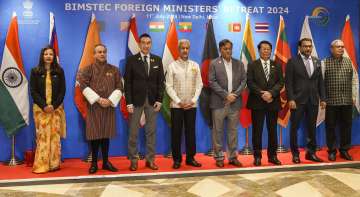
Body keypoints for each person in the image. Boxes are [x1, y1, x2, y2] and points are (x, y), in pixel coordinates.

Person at [77, 44, 123, 174]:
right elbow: (83, 86)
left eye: (104, 52)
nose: (102, 54)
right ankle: (94, 163)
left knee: (105, 135)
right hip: (94, 107)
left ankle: (106, 162)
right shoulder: (87, 70)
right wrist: (98, 99)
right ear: (94, 54)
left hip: (109, 106)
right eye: (99, 52)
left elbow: (120, 87)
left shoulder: (114, 70)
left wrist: (109, 100)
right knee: (95, 136)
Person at [124, 33, 165, 171]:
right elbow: (127, 83)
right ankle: (133, 160)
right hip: (136, 101)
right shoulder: (131, 60)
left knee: (151, 132)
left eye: (148, 43)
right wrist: (128, 102)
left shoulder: (157, 60)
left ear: (151, 44)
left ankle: (150, 160)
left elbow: (161, 83)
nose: (146, 45)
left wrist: (160, 100)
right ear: (139, 44)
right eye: (143, 42)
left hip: (153, 102)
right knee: (133, 132)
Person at [285, 38, 326, 164]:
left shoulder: (317, 61)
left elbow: (320, 82)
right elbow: (288, 83)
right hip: (297, 100)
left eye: (310, 46)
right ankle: (295, 154)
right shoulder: (292, 61)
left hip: (313, 100)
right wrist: (291, 98)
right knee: (294, 128)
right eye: (305, 46)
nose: (308, 48)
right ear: (300, 48)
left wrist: (323, 98)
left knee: (311, 128)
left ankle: (311, 153)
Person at [208, 39, 246, 168]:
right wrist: (226, 95)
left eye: (230, 48)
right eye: (225, 49)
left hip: (234, 103)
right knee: (217, 131)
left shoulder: (239, 64)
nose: (228, 51)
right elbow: (211, 82)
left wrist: (234, 95)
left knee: (233, 131)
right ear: (220, 50)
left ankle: (232, 157)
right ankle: (219, 157)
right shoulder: (214, 63)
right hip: (219, 103)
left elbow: (243, 81)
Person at [165, 39, 203, 169]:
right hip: (177, 106)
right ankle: (177, 159)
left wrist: (192, 101)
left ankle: (190, 158)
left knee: (190, 132)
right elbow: (168, 86)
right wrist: (179, 101)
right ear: (178, 49)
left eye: (187, 48)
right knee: (176, 133)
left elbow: (199, 85)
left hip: (191, 106)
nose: (185, 50)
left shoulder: (195, 65)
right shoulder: (172, 66)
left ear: (189, 49)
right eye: (182, 48)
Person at [247, 40, 284, 166]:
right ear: (259, 50)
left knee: (272, 130)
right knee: (257, 131)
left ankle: (272, 156)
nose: (266, 51)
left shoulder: (277, 65)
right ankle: (257, 157)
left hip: (272, 102)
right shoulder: (252, 64)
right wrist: (262, 94)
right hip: (257, 102)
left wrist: (271, 94)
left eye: (268, 49)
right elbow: (250, 82)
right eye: (264, 49)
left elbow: (280, 82)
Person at [30, 45, 66, 173]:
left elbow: (62, 91)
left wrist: (53, 106)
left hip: (56, 110)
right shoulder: (35, 71)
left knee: (55, 137)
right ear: (42, 56)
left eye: (51, 54)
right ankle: (41, 165)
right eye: (46, 54)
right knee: (43, 137)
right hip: (40, 110)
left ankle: (54, 164)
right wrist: (44, 106)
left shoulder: (59, 71)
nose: (48, 56)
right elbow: (33, 92)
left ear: (54, 57)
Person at [323, 39, 354, 161]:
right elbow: (321, 83)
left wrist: (354, 97)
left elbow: (354, 80)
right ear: (332, 49)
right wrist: (323, 99)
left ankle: (344, 150)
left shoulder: (348, 62)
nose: (341, 49)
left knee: (346, 127)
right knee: (330, 127)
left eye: (342, 46)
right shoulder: (325, 62)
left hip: (346, 101)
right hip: (331, 102)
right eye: (338, 47)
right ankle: (331, 151)